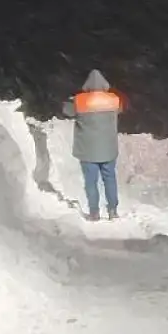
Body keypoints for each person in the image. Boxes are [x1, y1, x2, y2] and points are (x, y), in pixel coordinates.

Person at [62, 69, 127, 221]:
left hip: (87, 150)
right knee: (109, 179)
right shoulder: (113, 99)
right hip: (108, 149)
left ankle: (94, 212)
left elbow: (66, 110)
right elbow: (121, 109)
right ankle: (112, 210)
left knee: (91, 182)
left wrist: (70, 99)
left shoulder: (80, 100)